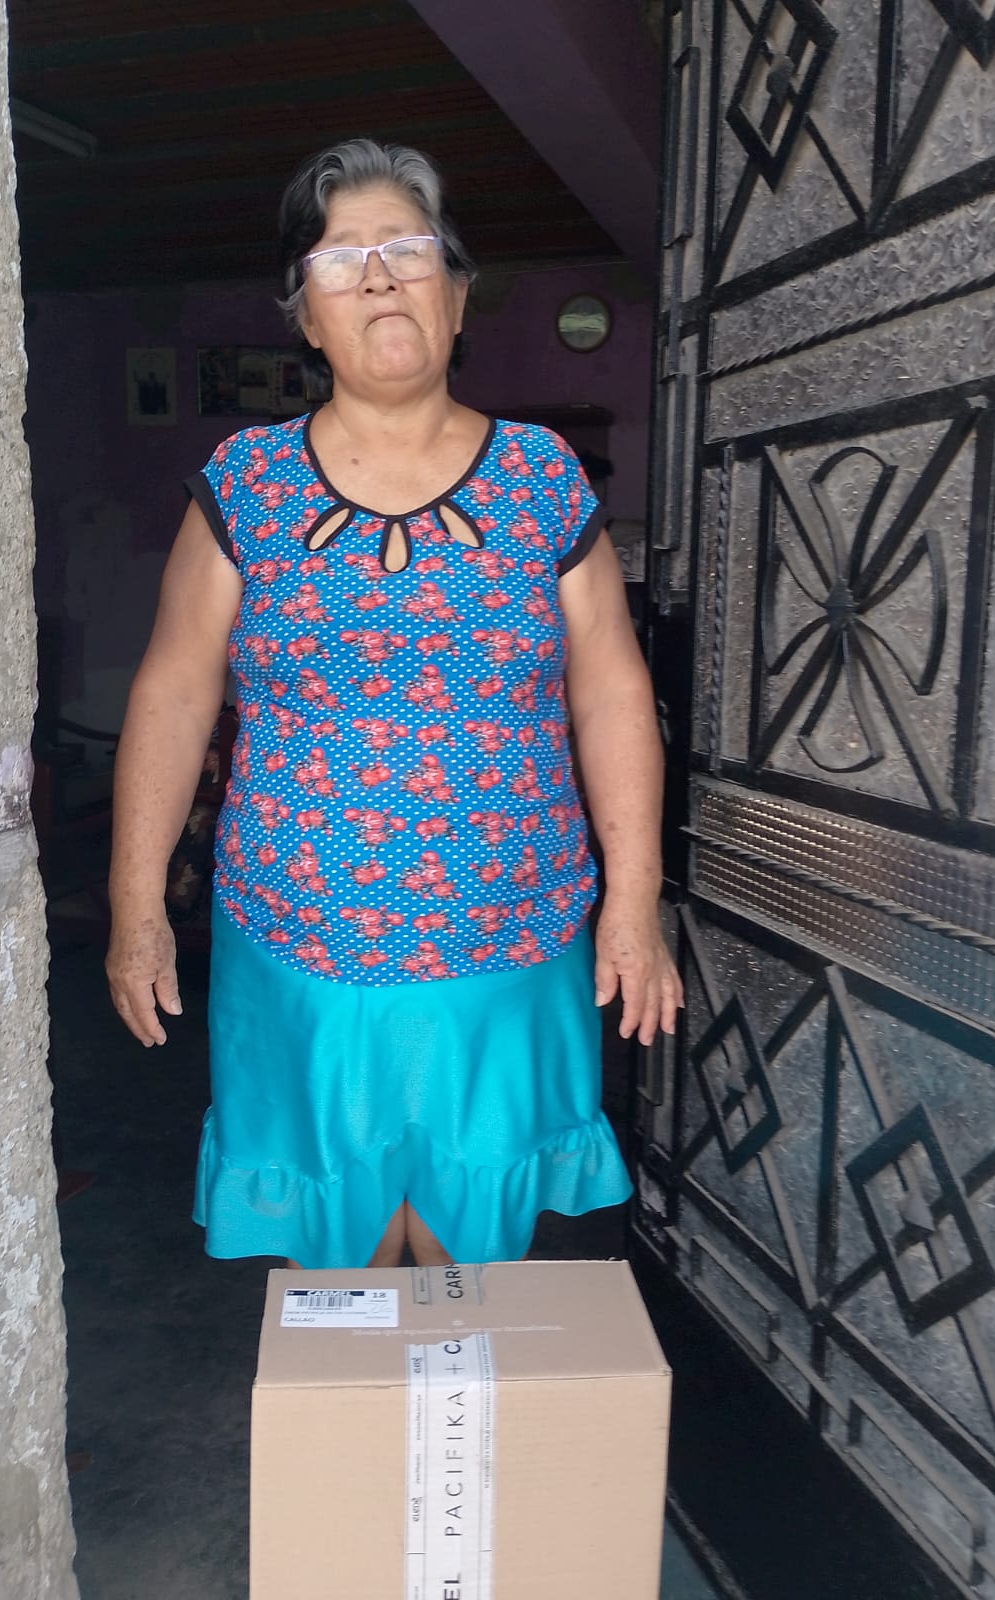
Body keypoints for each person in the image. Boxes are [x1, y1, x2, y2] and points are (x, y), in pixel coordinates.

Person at [105, 138, 682, 1271]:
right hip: (300, 946)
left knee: (475, 1265)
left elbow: (613, 690)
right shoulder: (244, 486)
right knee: (345, 1270)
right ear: (306, 319)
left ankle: (448, 1394)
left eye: (409, 250)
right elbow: (173, 692)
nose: (378, 276)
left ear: (457, 297)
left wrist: (634, 897)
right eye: (341, 259)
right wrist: (136, 908)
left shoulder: (542, 479)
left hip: (510, 938)